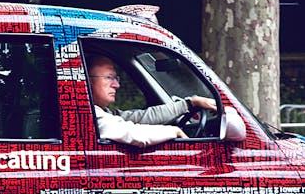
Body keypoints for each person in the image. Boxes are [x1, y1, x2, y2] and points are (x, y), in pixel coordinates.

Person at [88, 54, 244, 147]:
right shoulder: (89, 114)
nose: (117, 85)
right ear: (86, 80)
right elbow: (131, 133)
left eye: (116, 78)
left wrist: (189, 104)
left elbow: (138, 118)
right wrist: (173, 131)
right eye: (109, 78)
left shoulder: (103, 113)